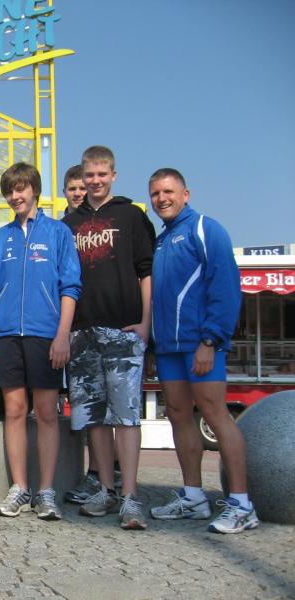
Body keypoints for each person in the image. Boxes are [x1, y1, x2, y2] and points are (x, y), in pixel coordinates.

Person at [147, 168, 258, 534]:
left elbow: (225, 286)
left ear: (186, 194)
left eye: (168, 191)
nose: (161, 199)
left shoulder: (206, 228)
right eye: (155, 193)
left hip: (200, 343)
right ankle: (193, 497)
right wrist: (153, 347)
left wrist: (210, 340)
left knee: (215, 414)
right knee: (179, 414)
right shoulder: (162, 241)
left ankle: (241, 504)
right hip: (169, 348)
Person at [62, 146, 156, 530]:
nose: (95, 181)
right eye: (90, 175)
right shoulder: (68, 225)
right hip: (82, 332)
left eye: (102, 174)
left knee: (126, 415)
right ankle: (105, 488)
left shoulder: (131, 216)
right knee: (94, 417)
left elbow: (146, 271)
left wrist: (146, 323)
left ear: (113, 175)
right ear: (82, 177)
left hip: (123, 329)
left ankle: (130, 495)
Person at [0, 162, 81, 520]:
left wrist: (62, 335)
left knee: (46, 414)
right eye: (9, 191)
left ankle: (46, 491)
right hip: (7, 334)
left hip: (45, 334)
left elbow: (70, 286)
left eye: (21, 188)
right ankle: (20, 488)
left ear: (34, 190)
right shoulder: (1, 237)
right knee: (14, 411)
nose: (15, 196)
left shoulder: (58, 233)